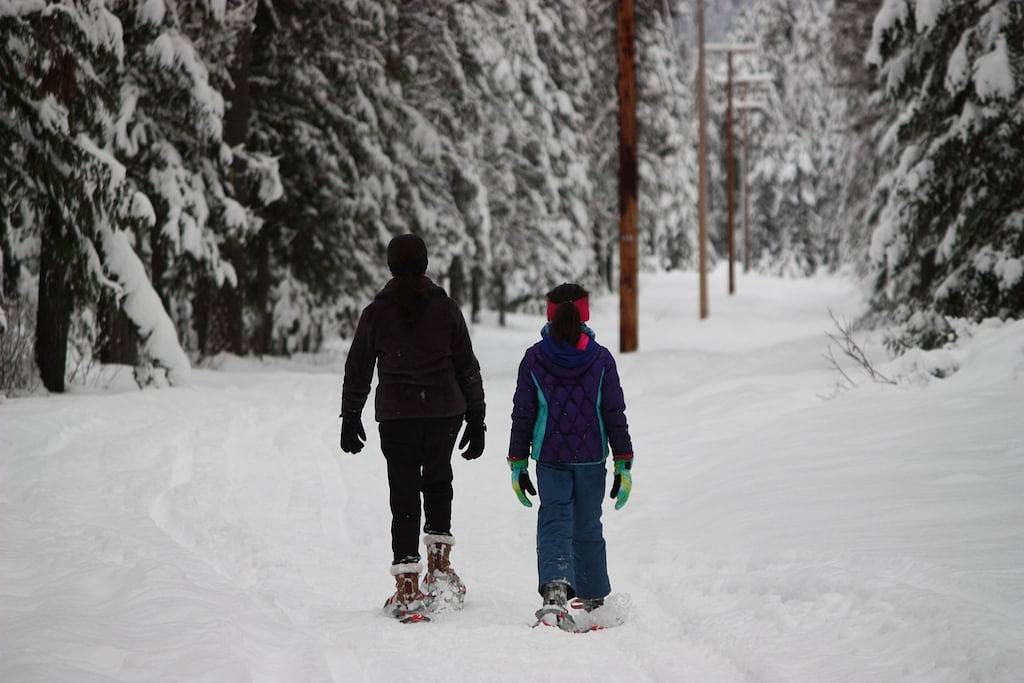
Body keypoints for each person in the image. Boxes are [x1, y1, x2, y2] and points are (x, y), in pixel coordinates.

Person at [340, 234, 486, 620]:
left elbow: (358, 369)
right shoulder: (446, 309)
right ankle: (439, 570)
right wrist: (477, 418)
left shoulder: (377, 313)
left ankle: (407, 587)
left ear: (390, 267)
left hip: (399, 417)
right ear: (425, 263)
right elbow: (467, 367)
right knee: (438, 483)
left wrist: (350, 416)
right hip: (443, 413)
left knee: (403, 493)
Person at [507, 283, 633, 631]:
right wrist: (623, 461)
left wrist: (518, 463)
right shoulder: (601, 358)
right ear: (585, 313)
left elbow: (523, 415)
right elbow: (614, 413)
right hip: (592, 458)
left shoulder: (534, 358)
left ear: (549, 313)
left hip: (550, 458)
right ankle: (593, 602)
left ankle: (554, 599)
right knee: (588, 524)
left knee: (554, 523)